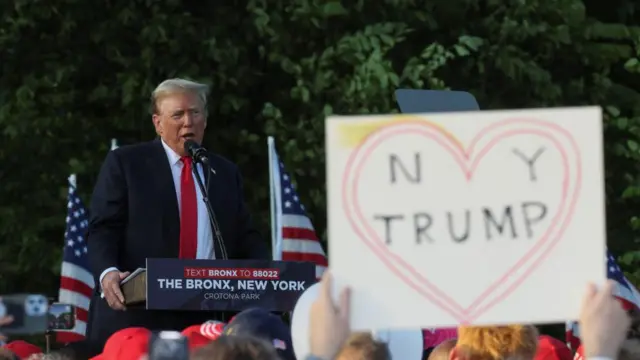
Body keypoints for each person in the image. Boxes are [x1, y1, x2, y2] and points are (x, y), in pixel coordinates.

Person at [86, 78, 269, 355]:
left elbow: (245, 236)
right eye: (178, 115)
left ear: (205, 120)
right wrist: (108, 273)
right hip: (138, 315)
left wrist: (268, 276)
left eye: (195, 113)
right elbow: (103, 228)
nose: (188, 122)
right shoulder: (127, 164)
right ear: (158, 123)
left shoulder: (223, 172)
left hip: (205, 316)